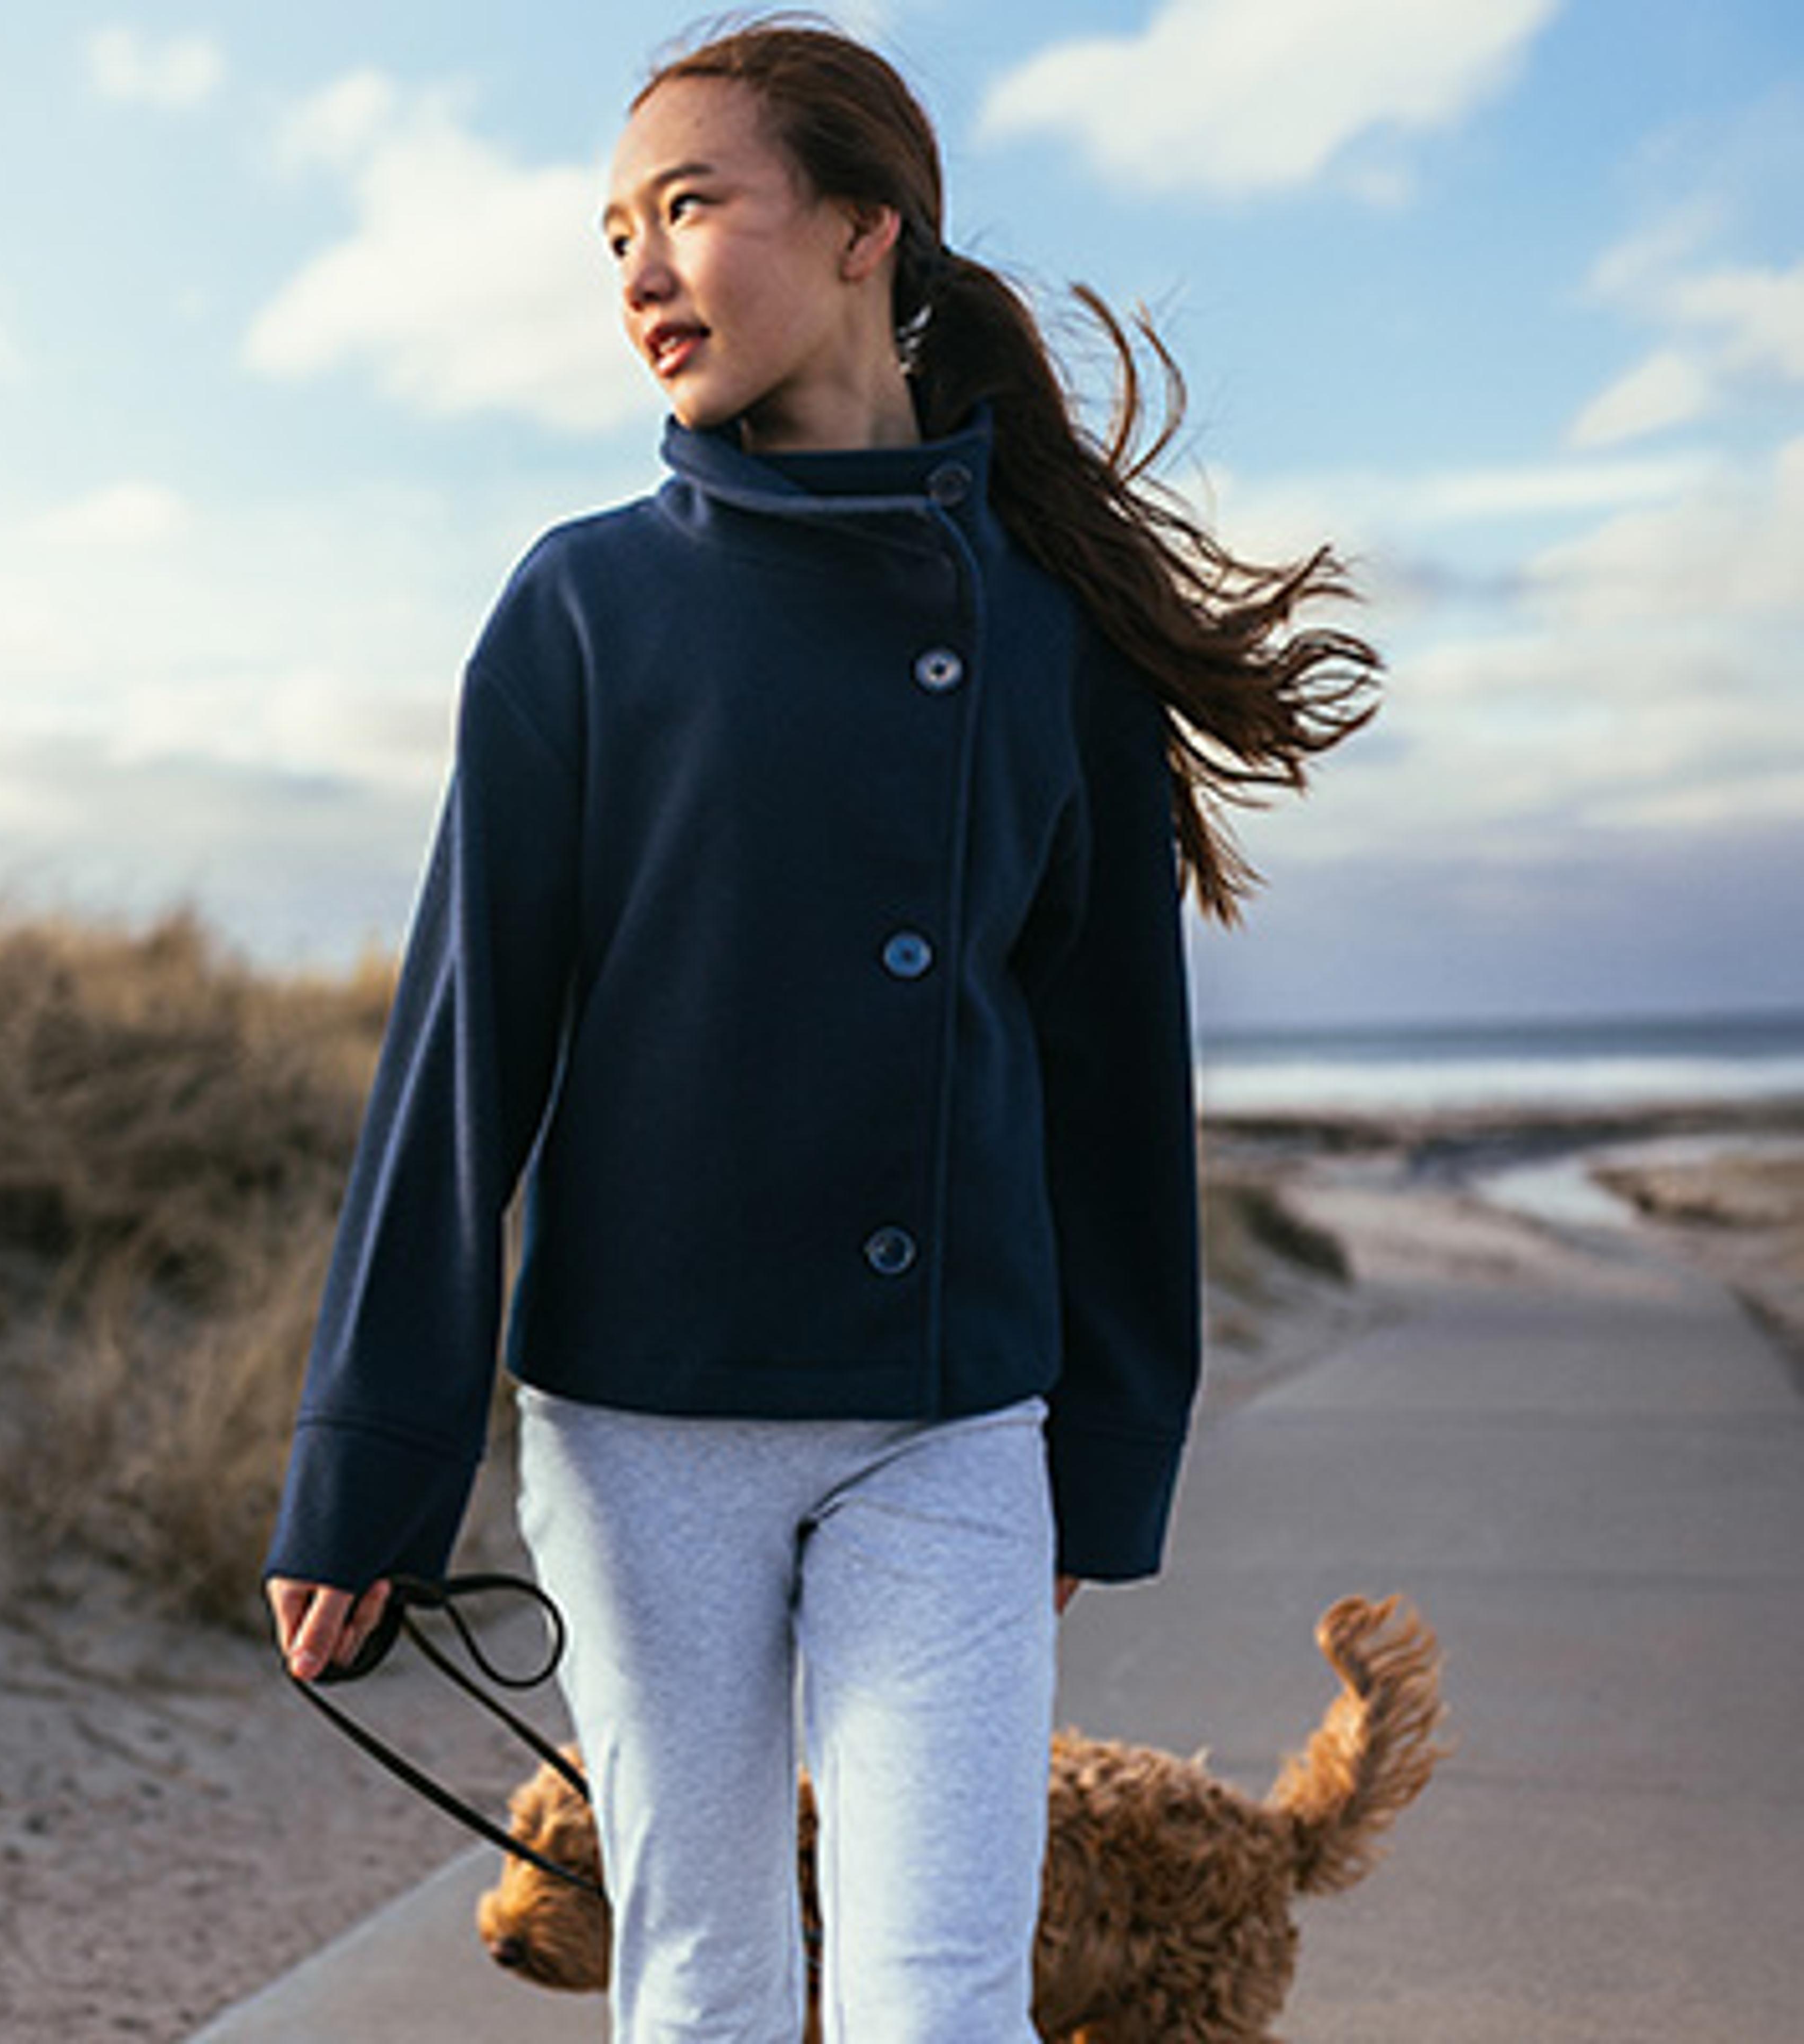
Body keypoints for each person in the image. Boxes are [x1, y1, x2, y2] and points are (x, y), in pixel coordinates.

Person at [264, 17, 1377, 2040]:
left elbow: (1114, 1083)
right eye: (614, 234)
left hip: (949, 1422)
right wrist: (372, 1464)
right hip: (637, 1420)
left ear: (871, 227)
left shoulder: (1056, 641)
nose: (640, 272)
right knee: (698, 1971)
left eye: (692, 207)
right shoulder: (583, 608)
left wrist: (1106, 1452)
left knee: (938, 1989)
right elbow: (465, 1048)